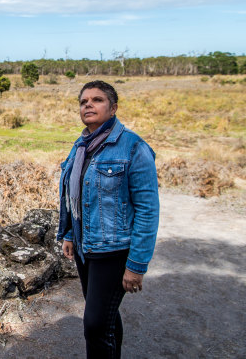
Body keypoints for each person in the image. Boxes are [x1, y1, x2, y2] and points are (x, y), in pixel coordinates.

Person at [56, 81, 159, 358]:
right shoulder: (80, 146)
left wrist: (136, 265)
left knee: (95, 324)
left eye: (97, 100)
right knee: (106, 318)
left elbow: (148, 210)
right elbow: (74, 194)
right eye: (83, 101)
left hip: (115, 251)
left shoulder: (133, 148)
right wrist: (69, 234)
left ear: (113, 108)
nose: (88, 105)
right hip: (86, 248)